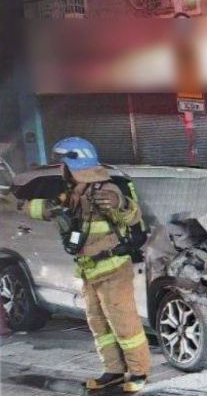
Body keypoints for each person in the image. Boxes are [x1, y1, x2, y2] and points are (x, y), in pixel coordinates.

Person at [25, 137, 150, 392]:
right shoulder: (73, 192)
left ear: (74, 164)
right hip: (88, 270)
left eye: (64, 163)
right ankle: (113, 371)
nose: (61, 169)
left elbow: (132, 215)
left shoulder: (106, 189)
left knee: (125, 323)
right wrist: (25, 204)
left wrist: (120, 204)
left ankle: (139, 372)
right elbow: (38, 210)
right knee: (99, 325)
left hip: (113, 268)